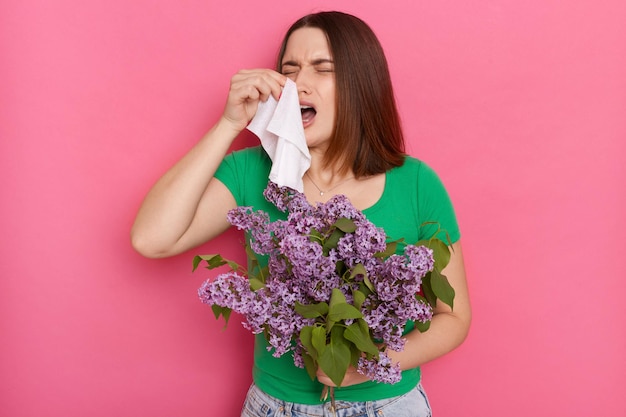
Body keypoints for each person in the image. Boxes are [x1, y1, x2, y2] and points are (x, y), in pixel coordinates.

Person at [131, 11, 471, 417]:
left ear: (360, 84)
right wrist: (228, 123)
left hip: (390, 405)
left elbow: (454, 317)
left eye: (321, 69)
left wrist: (369, 364)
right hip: (275, 407)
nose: (297, 83)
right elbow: (151, 239)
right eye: (288, 69)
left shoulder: (416, 183)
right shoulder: (251, 172)